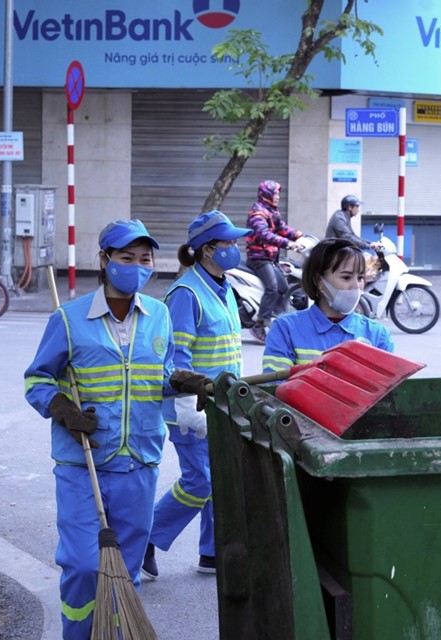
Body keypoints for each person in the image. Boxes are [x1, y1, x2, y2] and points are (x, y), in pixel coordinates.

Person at [23, 219, 209, 640]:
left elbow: (157, 375)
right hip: (82, 463)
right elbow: (37, 379)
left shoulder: (159, 315)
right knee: (84, 566)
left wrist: (179, 380)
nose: (138, 267)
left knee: (125, 570)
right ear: (105, 261)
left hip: (139, 462)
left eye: (145, 259)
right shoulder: (69, 319)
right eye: (127, 258)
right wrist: (60, 407)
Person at [143, 210, 251, 579]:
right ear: (207, 250)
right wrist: (190, 407)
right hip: (191, 408)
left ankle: (212, 553)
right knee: (201, 481)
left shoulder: (224, 287)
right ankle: (146, 538)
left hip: (220, 402)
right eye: (229, 243)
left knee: (220, 478)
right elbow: (176, 357)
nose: (235, 249)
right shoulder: (186, 293)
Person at [262, 238, 394, 375]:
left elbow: (388, 389)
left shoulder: (378, 334)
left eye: (360, 278)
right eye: (346, 277)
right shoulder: (286, 329)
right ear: (319, 281)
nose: (356, 286)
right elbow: (275, 387)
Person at [245, 179, 304, 344]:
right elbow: (265, 235)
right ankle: (258, 325)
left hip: (270, 258)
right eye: (275, 193)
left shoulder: (272, 210)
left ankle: (275, 319)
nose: (278, 196)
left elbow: (282, 229)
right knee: (272, 288)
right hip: (258, 258)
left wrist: (300, 236)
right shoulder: (258, 213)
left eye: (278, 193)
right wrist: (288, 243)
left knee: (284, 286)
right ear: (267, 194)